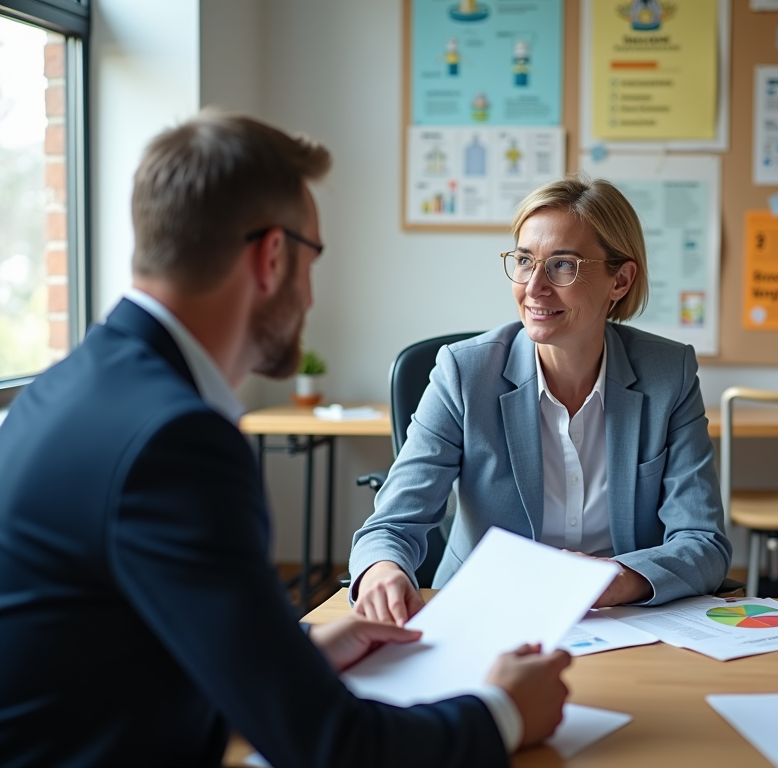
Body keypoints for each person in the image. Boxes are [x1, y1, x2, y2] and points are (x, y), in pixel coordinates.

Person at [0, 111, 570, 768]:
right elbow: (332, 748)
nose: (310, 294)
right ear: (273, 257)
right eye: (313, 257)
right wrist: (502, 711)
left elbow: (121, 642)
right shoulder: (176, 440)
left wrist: (294, 653)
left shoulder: (72, 386)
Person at [350, 173, 732, 627]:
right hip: (483, 614)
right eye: (525, 260)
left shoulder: (668, 374)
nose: (534, 287)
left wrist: (620, 578)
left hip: (622, 620)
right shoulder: (463, 372)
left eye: (563, 265)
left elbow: (703, 541)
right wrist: (382, 571)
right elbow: (392, 525)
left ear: (620, 280)